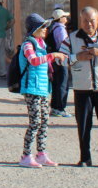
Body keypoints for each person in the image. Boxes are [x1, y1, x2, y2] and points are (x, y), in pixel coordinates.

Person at [60, 6, 98, 169]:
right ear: (81, 21)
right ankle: (85, 158)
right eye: (85, 21)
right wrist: (77, 57)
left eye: (92, 21)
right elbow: (61, 60)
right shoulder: (71, 39)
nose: (89, 24)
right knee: (83, 125)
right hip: (82, 88)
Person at [18, 13, 67, 167]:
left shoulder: (41, 44)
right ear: (34, 29)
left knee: (44, 121)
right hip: (32, 88)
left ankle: (41, 153)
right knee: (34, 122)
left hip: (43, 88)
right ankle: (26, 155)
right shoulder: (28, 44)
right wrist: (52, 56)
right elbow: (33, 61)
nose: (46, 30)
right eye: (42, 27)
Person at [47, 9, 72, 117]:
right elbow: (64, 44)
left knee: (57, 83)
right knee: (62, 83)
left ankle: (55, 106)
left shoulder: (53, 28)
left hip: (55, 59)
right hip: (61, 59)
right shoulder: (60, 29)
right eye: (64, 16)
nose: (66, 18)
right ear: (60, 18)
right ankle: (60, 108)